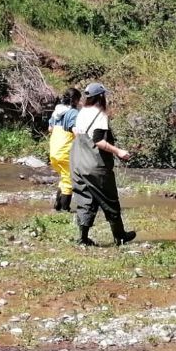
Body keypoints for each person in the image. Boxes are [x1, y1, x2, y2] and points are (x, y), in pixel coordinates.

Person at [69, 82, 137, 246]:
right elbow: (99, 141)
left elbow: (77, 132)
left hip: (77, 161)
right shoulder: (100, 115)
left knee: (85, 197)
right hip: (94, 164)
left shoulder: (81, 112)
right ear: (100, 97)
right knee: (109, 198)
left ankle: (83, 239)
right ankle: (120, 236)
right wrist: (119, 151)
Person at [47, 87, 80, 212]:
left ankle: (57, 206)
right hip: (65, 151)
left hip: (54, 151)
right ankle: (65, 209)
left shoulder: (56, 112)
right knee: (69, 181)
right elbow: (75, 131)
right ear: (76, 100)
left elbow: (50, 129)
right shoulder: (73, 113)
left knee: (64, 178)